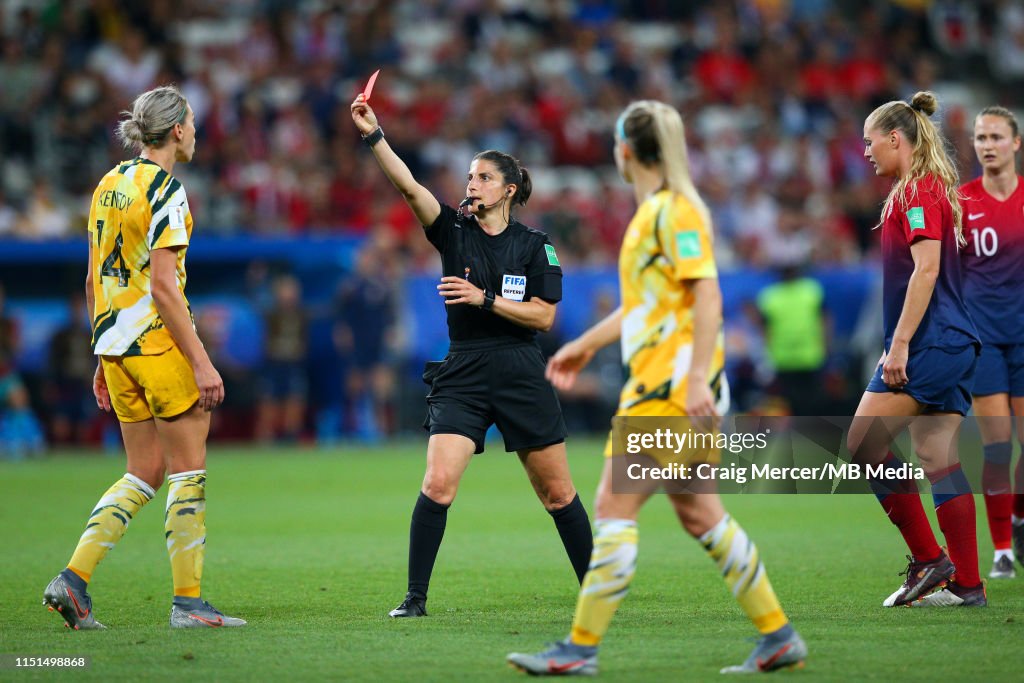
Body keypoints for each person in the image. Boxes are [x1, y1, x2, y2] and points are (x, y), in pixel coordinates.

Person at [507, 100, 807, 676]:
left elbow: (708, 294)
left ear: (625, 150)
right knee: (701, 517)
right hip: (664, 381)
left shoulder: (675, 211)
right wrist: (587, 343)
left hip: (669, 387)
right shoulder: (654, 213)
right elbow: (647, 303)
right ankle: (778, 635)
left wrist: (696, 378)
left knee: (612, 506)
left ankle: (579, 649)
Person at [350, 93, 593, 618]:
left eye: (482, 177)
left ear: (508, 189)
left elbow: (544, 316)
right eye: (468, 177)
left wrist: (484, 299)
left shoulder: (534, 244)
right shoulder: (452, 232)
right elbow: (409, 186)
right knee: (438, 482)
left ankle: (598, 592)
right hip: (464, 368)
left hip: (520, 368)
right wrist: (374, 135)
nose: (470, 185)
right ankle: (414, 599)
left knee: (557, 494)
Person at [42, 85, 245, 629]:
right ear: (177, 129)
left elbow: (92, 279)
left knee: (143, 470)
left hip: (115, 347)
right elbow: (163, 287)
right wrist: (201, 361)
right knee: (187, 471)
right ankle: (189, 603)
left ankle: (73, 581)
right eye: (194, 123)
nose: (197, 132)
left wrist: (101, 354)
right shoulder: (168, 191)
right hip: (157, 344)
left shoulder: (108, 184)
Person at [848, 91, 983, 608]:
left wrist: (900, 344)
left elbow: (926, 271)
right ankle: (967, 585)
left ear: (896, 139)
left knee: (863, 442)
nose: (866, 151)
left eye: (870, 141)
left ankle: (930, 560)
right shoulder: (934, 189)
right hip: (956, 341)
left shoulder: (917, 192)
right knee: (937, 456)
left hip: (931, 342)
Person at [960, 105, 1024, 579]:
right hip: (985, 343)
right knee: (998, 447)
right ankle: (1002, 548)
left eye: (996, 137)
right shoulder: (962, 203)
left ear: (1015, 144)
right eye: (981, 137)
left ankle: (1017, 518)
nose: (987, 144)